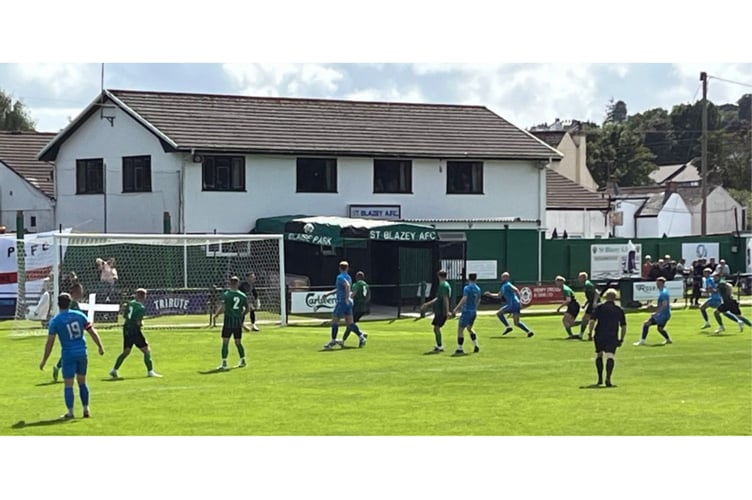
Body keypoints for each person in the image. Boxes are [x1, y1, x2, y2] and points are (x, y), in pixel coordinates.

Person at [39, 293, 105, 419]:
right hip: (82, 353)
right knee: (82, 382)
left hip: (68, 355)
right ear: (70, 303)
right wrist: (100, 346)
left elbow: (50, 343)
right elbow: (92, 332)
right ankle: (86, 409)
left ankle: (70, 412)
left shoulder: (56, 321)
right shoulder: (79, 315)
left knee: (68, 384)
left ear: (58, 304)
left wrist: (44, 360)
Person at [109, 288, 162, 378]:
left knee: (126, 352)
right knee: (146, 350)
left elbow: (125, 316)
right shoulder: (141, 308)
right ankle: (150, 371)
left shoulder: (130, 303)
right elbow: (138, 322)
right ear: (143, 296)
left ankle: (114, 370)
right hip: (134, 330)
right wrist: (141, 323)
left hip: (126, 329)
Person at [322, 261, 366, 349]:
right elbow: (340, 288)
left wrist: (345, 298)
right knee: (350, 323)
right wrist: (329, 293)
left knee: (334, 321)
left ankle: (333, 340)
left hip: (342, 302)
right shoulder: (348, 277)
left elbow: (347, 285)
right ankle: (361, 336)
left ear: (339, 268)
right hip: (348, 303)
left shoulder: (340, 277)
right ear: (347, 268)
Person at [587, 288, 626, 387]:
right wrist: (621, 338)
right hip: (612, 335)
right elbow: (623, 326)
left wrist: (590, 333)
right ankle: (608, 378)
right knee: (610, 356)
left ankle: (600, 378)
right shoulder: (619, 310)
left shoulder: (599, 308)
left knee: (599, 354)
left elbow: (592, 321)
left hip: (599, 334)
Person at [212, 277, 249, 370]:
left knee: (225, 342)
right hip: (237, 322)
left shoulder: (226, 294)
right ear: (238, 283)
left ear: (230, 283)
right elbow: (247, 309)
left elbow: (223, 307)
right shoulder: (243, 295)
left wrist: (216, 314)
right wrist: (241, 315)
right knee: (238, 342)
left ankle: (224, 363)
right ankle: (243, 360)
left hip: (228, 321)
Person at [483, 271, 534, 338]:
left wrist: (521, 301)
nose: (502, 278)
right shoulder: (503, 286)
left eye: (503, 277)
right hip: (516, 304)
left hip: (512, 304)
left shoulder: (507, 284)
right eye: (502, 277)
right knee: (516, 322)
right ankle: (529, 332)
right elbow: (499, 295)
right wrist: (490, 295)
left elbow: (516, 290)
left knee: (499, 313)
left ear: (507, 278)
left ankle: (508, 326)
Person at [52, 282, 85, 382]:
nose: (82, 293)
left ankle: (58, 367)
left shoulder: (72, 302)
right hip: (70, 329)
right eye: (80, 291)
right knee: (72, 351)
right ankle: (69, 372)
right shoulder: (71, 303)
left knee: (70, 351)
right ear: (76, 292)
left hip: (70, 329)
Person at [633, 277, 672, 346]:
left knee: (646, 324)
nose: (656, 285)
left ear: (661, 283)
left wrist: (657, 313)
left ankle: (642, 341)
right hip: (666, 314)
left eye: (658, 283)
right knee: (660, 328)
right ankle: (668, 340)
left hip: (662, 315)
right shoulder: (664, 291)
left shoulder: (664, 293)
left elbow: (664, 305)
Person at [420, 270, 452, 352]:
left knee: (436, 328)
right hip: (439, 310)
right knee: (436, 328)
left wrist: (447, 311)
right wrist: (427, 304)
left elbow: (445, 299)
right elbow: (438, 298)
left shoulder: (444, 286)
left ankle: (440, 346)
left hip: (441, 311)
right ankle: (439, 345)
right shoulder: (443, 285)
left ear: (439, 276)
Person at [451, 273, 481, 354]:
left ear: (468, 279)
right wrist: (475, 308)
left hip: (466, 311)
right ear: (476, 279)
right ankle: (476, 345)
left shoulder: (467, 288)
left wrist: (456, 308)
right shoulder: (478, 289)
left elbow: (464, 298)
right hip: (473, 311)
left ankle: (460, 348)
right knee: (469, 328)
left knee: (460, 329)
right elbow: (478, 299)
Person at [342, 271, 370, 346]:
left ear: (357, 277)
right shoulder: (366, 285)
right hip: (364, 307)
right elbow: (368, 297)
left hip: (357, 307)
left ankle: (361, 335)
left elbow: (353, 294)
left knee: (350, 324)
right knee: (351, 324)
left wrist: (348, 298)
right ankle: (343, 340)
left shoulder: (357, 284)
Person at [578, 271, 600, 340]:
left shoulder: (588, 284)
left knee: (586, 319)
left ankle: (582, 334)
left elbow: (597, 292)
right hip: (592, 303)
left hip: (594, 305)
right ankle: (589, 335)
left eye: (579, 277)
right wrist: (585, 304)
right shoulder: (586, 284)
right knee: (591, 319)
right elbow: (590, 296)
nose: (578, 279)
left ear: (583, 278)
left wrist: (594, 302)